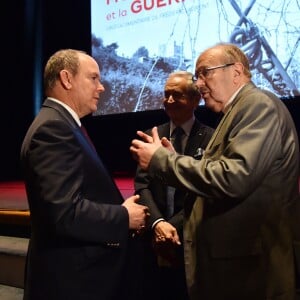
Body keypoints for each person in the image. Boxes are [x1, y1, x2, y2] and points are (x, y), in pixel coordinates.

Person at [130, 43, 300, 300]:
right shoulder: (237, 111)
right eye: (196, 76)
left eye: (205, 73)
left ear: (236, 71)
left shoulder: (258, 106)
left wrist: (162, 161)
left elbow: (233, 177)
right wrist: (174, 159)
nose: (198, 84)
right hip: (238, 271)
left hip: (252, 275)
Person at [20, 49, 149, 300]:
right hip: (73, 283)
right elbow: (64, 213)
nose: (101, 87)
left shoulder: (62, 123)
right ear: (67, 79)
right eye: (94, 78)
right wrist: (124, 215)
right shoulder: (53, 128)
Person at [134, 71, 214, 300]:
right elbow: (142, 185)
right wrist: (158, 223)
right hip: (153, 239)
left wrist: (171, 228)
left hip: (190, 239)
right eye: (166, 94)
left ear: (194, 99)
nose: (168, 100)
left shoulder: (210, 138)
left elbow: (205, 191)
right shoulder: (152, 135)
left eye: (176, 95)